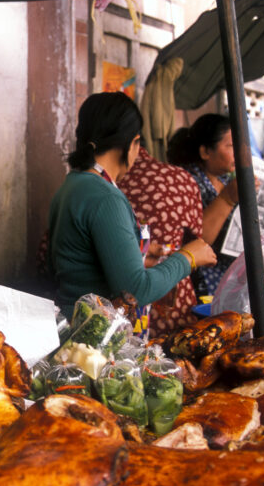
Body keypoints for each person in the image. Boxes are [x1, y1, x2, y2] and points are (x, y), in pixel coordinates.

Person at [46, 92, 216, 320]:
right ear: (132, 143)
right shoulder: (105, 197)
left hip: (72, 323)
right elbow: (135, 290)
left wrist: (137, 256)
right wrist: (187, 257)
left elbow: (82, 261)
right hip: (91, 336)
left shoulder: (73, 184)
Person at [120, 145, 204, 335]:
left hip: (118, 299)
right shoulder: (181, 179)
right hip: (172, 290)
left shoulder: (102, 188)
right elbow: (199, 236)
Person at [167, 114, 240, 297]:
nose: (238, 152)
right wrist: (227, 199)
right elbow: (199, 238)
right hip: (202, 283)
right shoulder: (187, 182)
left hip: (230, 278)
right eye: (231, 146)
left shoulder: (225, 180)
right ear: (205, 152)